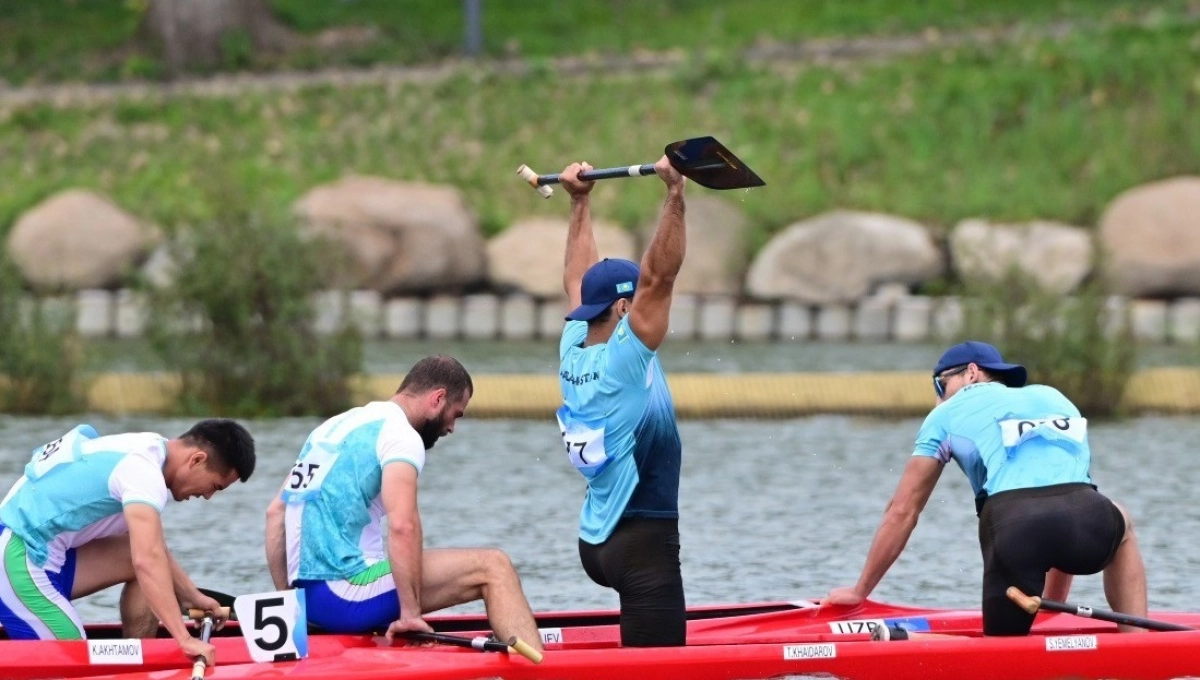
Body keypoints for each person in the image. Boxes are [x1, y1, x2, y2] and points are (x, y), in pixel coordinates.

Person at [826, 340, 1148, 635]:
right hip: (1085, 514)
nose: (938, 398)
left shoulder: (945, 414)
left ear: (971, 374)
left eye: (940, 385)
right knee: (1121, 521)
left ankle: (899, 641)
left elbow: (903, 510)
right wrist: (1049, 615)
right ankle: (1139, 643)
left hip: (1013, 526)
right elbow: (1065, 494)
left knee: (1002, 656)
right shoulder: (1055, 397)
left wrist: (860, 591)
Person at [264, 355, 543, 652]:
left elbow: (275, 514)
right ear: (437, 399)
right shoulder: (400, 435)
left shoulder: (331, 428)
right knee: (493, 566)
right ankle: (544, 670)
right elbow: (403, 526)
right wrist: (410, 615)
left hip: (310, 600)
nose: (452, 428)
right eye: (456, 415)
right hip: (344, 596)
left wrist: (292, 606)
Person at [554, 156, 688, 647]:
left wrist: (579, 202)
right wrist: (674, 196)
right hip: (642, 547)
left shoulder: (571, 343)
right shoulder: (625, 360)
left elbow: (578, 277)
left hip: (596, 542)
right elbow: (660, 277)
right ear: (625, 308)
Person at [0, 419, 256, 665]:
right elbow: (148, 560)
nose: (209, 496)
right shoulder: (143, 471)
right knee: (76, 666)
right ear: (197, 460)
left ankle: (136, 666)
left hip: (44, 553)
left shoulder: (152, 447)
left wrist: (191, 596)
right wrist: (184, 638)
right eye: (215, 486)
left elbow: (152, 548)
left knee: (135, 555)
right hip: (16, 559)